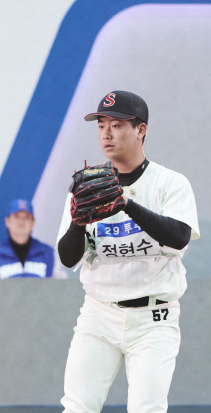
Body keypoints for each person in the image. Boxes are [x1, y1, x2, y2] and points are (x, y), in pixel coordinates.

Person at [56, 90, 200, 412]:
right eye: (101, 125)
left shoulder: (170, 183)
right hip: (98, 313)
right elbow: (67, 258)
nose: (106, 133)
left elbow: (179, 237)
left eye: (117, 124)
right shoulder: (85, 187)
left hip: (154, 317)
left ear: (141, 130)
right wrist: (78, 223)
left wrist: (127, 205)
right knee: (77, 407)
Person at [0, 199, 66, 279]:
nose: (21, 221)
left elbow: (63, 287)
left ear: (33, 222)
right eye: (17, 216)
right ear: (7, 221)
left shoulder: (49, 254)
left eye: (26, 217)